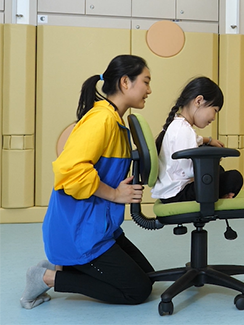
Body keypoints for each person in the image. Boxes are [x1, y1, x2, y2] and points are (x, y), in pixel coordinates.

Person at [20, 55, 154, 309]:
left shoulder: (114, 119)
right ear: (125, 82)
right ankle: (47, 277)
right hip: (79, 232)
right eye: (145, 81)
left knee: (147, 275)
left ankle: (62, 264)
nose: (149, 89)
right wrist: (115, 194)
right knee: (137, 290)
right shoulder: (101, 120)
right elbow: (70, 171)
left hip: (100, 228)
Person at [152, 76, 243, 203]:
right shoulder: (184, 131)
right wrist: (213, 160)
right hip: (179, 193)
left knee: (219, 171)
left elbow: (195, 140)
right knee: (234, 177)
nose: (214, 117)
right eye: (215, 110)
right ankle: (216, 196)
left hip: (171, 191)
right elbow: (191, 172)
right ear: (199, 101)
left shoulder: (178, 125)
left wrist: (209, 140)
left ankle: (218, 194)